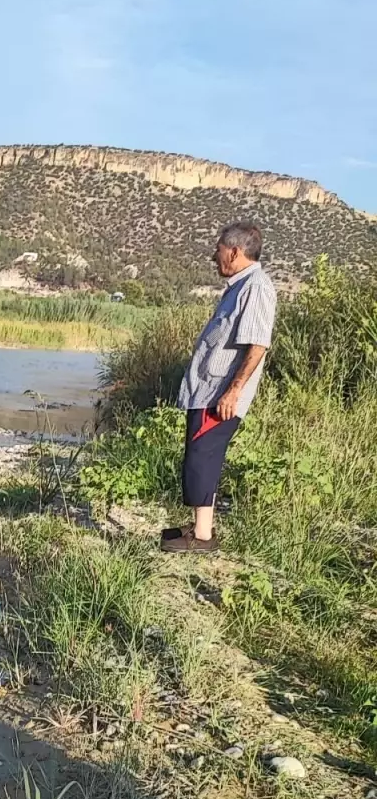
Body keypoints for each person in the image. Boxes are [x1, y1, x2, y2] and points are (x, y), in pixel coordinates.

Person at [162, 222, 277, 554]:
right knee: (202, 455)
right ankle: (201, 528)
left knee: (202, 456)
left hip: (221, 394)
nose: (215, 255)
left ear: (235, 252)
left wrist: (233, 391)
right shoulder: (238, 287)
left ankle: (201, 538)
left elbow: (258, 345)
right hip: (208, 390)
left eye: (219, 249)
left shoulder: (256, 287)